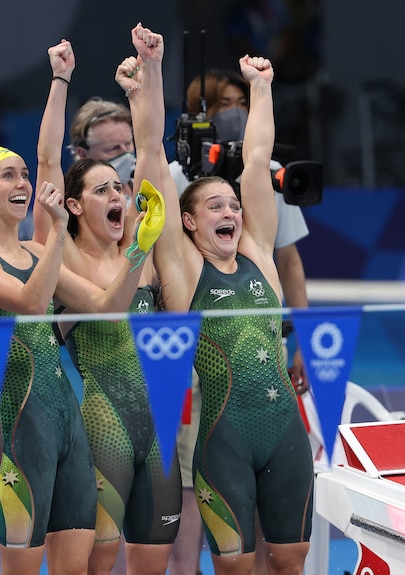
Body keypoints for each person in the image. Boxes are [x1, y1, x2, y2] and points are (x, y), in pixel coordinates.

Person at [0, 39, 161, 575]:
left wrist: (138, 250)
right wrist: (60, 80)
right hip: (19, 416)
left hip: (66, 414)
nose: (24, 183)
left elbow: (101, 306)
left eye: (25, 177)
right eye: (10, 176)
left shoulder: (34, 250)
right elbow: (28, 301)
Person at [139, 34, 314, 574]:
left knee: (291, 558)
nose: (230, 211)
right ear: (189, 222)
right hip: (223, 438)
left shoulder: (259, 254)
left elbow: (258, 158)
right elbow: (149, 159)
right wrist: (152, 71)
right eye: (215, 204)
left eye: (234, 204)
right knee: (235, 567)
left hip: (285, 429)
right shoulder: (185, 267)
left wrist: (261, 88)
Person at [32, 28, 181, 575]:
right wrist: (60, 78)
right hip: (103, 421)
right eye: (102, 191)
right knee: (97, 562)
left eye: (118, 190)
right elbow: (47, 161)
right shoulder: (62, 255)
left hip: (159, 426)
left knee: (152, 563)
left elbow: (152, 151)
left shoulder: (137, 237)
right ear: (73, 205)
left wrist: (152, 66)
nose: (118, 196)